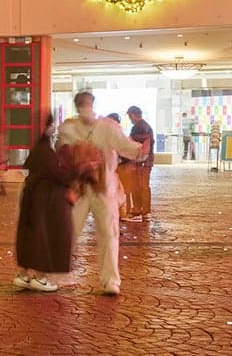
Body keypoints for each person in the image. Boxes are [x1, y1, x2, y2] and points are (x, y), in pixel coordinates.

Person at [56, 91, 147, 296]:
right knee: (73, 231)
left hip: (100, 187)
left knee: (107, 232)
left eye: (86, 103)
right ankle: (62, 274)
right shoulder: (71, 128)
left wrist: (138, 150)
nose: (84, 107)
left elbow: (125, 146)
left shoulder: (104, 127)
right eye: (82, 104)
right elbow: (63, 153)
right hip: (82, 188)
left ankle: (110, 279)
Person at [13, 112, 75, 292]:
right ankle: (40, 277)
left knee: (30, 234)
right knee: (43, 235)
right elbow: (57, 173)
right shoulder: (45, 150)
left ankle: (23, 273)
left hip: (33, 196)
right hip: (44, 199)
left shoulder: (39, 147)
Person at [119, 106, 154, 222]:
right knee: (144, 186)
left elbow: (132, 145)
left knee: (137, 186)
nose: (130, 119)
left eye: (130, 116)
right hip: (147, 161)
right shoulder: (147, 126)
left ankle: (138, 210)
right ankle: (146, 212)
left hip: (139, 162)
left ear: (133, 115)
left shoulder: (137, 128)